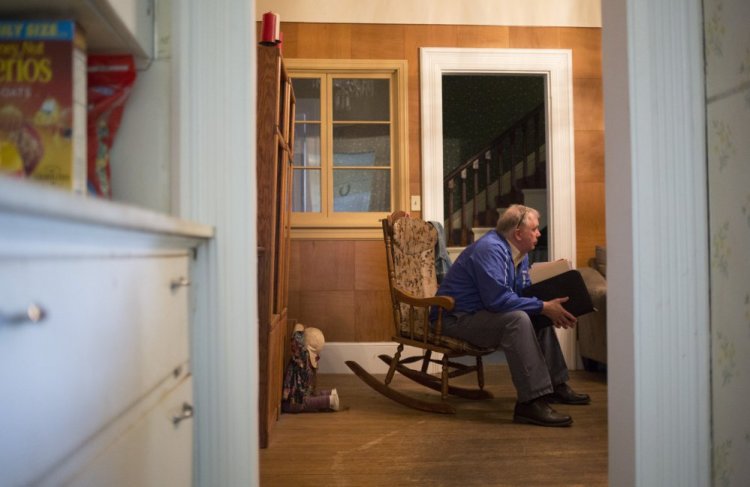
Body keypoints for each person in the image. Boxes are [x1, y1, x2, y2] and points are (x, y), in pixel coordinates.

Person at [434, 204, 589, 427]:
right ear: (518, 233)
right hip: (457, 319)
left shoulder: (520, 254)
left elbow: (519, 293)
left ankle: (555, 385)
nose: (539, 233)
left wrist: (548, 304)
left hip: (482, 315)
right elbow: (497, 300)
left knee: (536, 313)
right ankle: (530, 403)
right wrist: (543, 306)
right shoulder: (489, 249)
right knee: (519, 319)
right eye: (534, 229)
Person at [281, 324, 340, 413]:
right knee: (309, 396)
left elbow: (296, 336)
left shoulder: (301, 356)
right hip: (303, 390)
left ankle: (329, 400)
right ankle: (328, 394)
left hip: (296, 397)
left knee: (303, 403)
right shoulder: (304, 358)